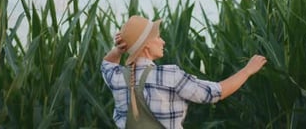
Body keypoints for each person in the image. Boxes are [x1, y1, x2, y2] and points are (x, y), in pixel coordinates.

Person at [101, 15, 267, 129]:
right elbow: (215, 93)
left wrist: (118, 50)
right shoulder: (170, 75)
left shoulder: (117, 78)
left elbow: (106, 64)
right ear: (146, 45)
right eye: (158, 37)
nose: (163, 41)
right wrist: (247, 70)